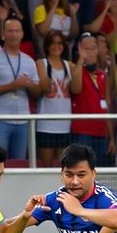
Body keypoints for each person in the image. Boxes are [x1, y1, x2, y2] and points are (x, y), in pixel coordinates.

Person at [0, 17, 41, 160]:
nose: (13, 34)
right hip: (0, 119)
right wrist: (11, 86)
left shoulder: (29, 61)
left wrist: (29, 85)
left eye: (16, 31)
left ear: (22, 34)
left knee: (18, 164)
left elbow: (37, 92)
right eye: (10, 31)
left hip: (23, 120)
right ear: (3, 34)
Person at [69, 32, 114, 165]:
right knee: (83, 167)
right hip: (83, 131)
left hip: (101, 131)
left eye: (93, 47)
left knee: (99, 170)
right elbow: (75, 89)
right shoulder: (76, 69)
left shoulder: (103, 75)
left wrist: (111, 137)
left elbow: (106, 107)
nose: (90, 52)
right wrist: (81, 60)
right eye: (86, 48)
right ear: (79, 50)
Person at [35, 31, 76, 166]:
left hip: (64, 123)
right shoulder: (42, 63)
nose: (56, 46)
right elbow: (45, 87)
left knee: (63, 167)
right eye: (52, 43)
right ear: (47, 46)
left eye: (59, 43)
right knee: (46, 166)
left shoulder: (69, 66)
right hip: (45, 123)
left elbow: (76, 89)